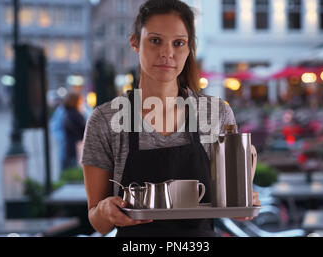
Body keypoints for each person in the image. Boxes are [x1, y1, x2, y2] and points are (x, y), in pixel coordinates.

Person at [81, 0, 260, 237]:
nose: (167, 53)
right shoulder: (105, 120)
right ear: (135, 42)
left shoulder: (216, 114)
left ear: (189, 48)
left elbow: (231, 200)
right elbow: (98, 223)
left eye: (178, 43)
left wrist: (243, 202)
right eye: (155, 41)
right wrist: (103, 211)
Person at [63, 91, 86, 171]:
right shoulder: (76, 115)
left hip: (70, 147)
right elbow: (84, 131)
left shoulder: (67, 113)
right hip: (78, 149)